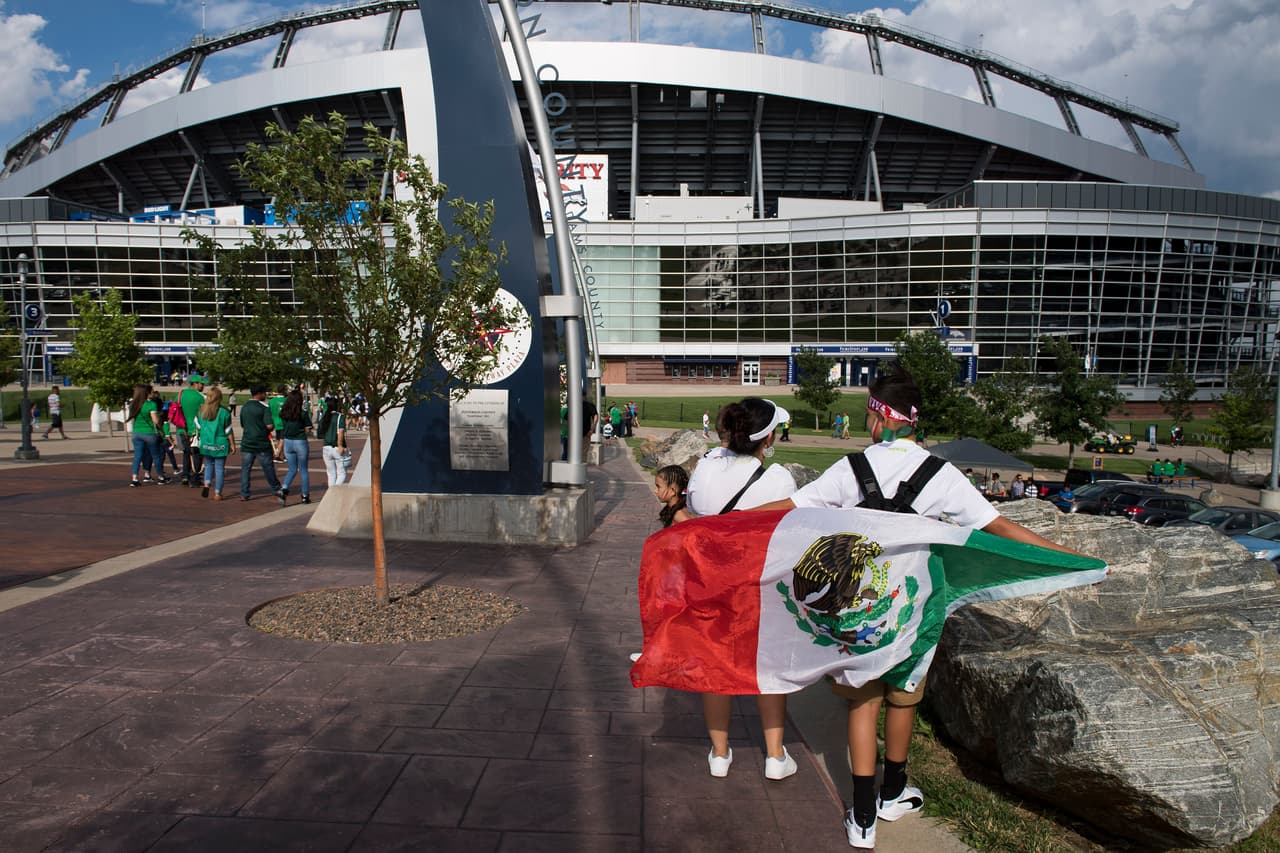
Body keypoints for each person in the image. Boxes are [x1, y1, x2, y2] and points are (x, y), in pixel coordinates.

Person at [749, 366, 1085, 849]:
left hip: (856, 609)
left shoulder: (850, 469)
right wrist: (1071, 558)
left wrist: (725, 523)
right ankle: (892, 791)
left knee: (863, 704)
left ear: (881, 417)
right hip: (913, 608)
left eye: (869, 412)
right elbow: (1000, 529)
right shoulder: (942, 475)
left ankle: (862, 817)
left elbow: (792, 507)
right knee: (903, 695)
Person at [685, 398, 799, 783]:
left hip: (710, 580)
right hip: (759, 584)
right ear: (766, 438)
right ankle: (774, 754)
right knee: (768, 667)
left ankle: (719, 754)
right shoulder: (779, 479)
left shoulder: (704, 468)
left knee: (714, 665)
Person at [239, 384, 284, 502]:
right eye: (264, 393)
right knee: (268, 468)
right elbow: (269, 425)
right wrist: (268, 428)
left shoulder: (245, 407)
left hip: (247, 442)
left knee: (246, 469)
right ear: (259, 393)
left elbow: (243, 424)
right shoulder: (263, 408)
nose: (265, 395)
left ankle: (244, 493)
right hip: (261, 443)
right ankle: (276, 489)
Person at [196, 386, 236, 499]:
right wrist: (232, 444)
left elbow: (198, 426)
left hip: (206, 443)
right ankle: (218, 492)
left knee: (208, 465)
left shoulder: (201, 411)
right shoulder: (224, 412)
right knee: (219, 469)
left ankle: (207, 482)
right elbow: (228, 430)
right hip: (220, 443)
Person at [127, 383, 168, 486]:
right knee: (156, 456)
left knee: (137, 456)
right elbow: (155, 420)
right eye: (151, 391)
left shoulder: (134, 404)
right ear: (147, 392)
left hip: (136, 432)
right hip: (149, 432)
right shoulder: (151, 404)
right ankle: (160, 476)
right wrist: (161, 428)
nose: (152, 393)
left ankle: (135, 478)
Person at [278, 388, 313, 505]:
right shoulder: (303, 413)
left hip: (288, 441)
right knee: (303, 470)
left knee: (292, 469)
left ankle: (284, 487)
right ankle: (305, 495)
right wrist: (305, 431)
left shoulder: (284, 413)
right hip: (300, 441)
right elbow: (308, 428)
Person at [176, 373, 206, 486]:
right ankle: (195, 478)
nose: (203, 386)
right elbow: (203, 414)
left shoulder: (181, 394)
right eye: (201, 384)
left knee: (186, 453)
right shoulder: (200, 397)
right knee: (197, 453)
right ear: (195, 384)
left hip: (182, 428)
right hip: (195, 430)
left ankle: (185, 475)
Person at [319, 395, 349, 489]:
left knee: (331, 473)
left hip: (326, 447)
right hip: (336, 447)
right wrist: (340, 445)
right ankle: (334, 492)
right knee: (342, 473)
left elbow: (320, 433)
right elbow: (340, 431)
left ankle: (330, 493)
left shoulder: (324, 417)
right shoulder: (340, 417)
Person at [268, 385, 288, 462]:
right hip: (284, 422)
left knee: (279, 439)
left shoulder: (272, 401)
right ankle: (277, 454)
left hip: (275, 421)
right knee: (283, 439)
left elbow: (269, 412)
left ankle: (282, 455)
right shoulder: (287, 400)